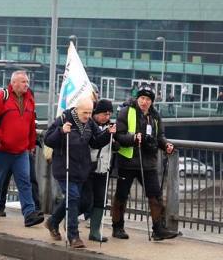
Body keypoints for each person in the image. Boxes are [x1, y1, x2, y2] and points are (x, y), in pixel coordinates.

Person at [44, 98, 114, 249]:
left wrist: (108, 133)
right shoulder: (64, 119)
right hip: (65, 168)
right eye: (85, 112)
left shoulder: (89, 123)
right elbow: (48, 140)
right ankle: (73, 236)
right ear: (76, 109)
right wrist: (61, 131)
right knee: (73, 197)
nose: (88, 116)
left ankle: (53, 221)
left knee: (79, 200)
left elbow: (95, 142)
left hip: (81, 169)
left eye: (90, 112)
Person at [111, 84, 178, 241]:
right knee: (121, 195)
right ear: (137, 98)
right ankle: (117, 227)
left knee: (155, 195)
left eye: (148, 99)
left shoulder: (155, 117)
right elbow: (118, 135)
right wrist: (133, 138)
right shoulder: (126, 112)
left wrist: (166, 145)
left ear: (152, 101)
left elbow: (159, 137)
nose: (144, 101)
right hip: (127, 161)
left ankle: (158, 229)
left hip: (148, 162)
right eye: (142, 98)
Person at [0, 70, 44, 227]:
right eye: (24, 82)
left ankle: (29, 214)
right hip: (2, 150)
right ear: (14, 83)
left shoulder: (29, 99)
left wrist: (31, 144)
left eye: (27, 81)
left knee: (25, 182)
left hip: (21, 151)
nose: (27, 85)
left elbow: (31, 123)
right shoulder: (1, 97)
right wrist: (1, 140)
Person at [79, 99, 120, 242]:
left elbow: (118, 144)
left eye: (109, 114)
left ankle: (95, 231)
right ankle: (64, 218)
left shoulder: (111, 126)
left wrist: (115, 142)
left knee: (100, 201)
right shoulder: (88, 125)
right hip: (89, 168)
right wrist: (107, 134)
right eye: (104, 114)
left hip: (104, 168)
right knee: (85, 201)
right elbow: (94, 143)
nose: (106, 117)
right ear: (96, 113)